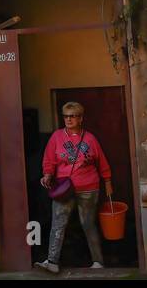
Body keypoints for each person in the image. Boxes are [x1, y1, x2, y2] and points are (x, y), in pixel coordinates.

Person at [35, 101, 113, 273]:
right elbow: (49, 159)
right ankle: (52, 262)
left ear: (81, 118)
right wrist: (47, 174)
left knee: (88, 224)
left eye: (73, 116)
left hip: (89, 187)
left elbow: (102, 162)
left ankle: (98, 262)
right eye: (66, 116)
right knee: (58, 223)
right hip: (65, 188)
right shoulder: (56, 137)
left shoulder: (90, 138)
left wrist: (107, 181)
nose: (69, 120)